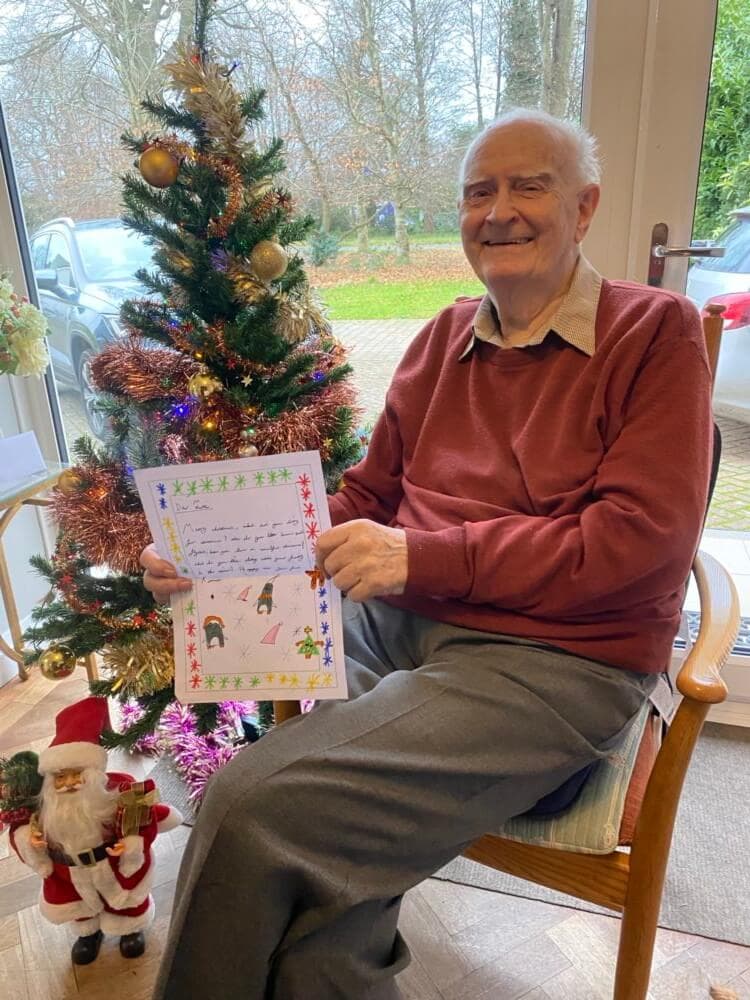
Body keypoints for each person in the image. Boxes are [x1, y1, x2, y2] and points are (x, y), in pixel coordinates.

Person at [142, 109, 713, 999]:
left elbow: (636, 544)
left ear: (586, 206)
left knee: (252, 805)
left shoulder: (655, 334)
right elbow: (366, 499)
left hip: (557, 662)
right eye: (478, 191)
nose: (500, 211)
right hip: (399, 627)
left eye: (530, 185)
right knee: (333, 856)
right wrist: (218, 554)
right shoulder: (445, 337)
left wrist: (422, 559)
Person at [9, 697, 182, 965]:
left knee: (125, 897)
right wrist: (28, 840)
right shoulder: (41, 807)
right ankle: (88, 933)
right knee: (79, 904)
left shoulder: (116, 792)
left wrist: (132, 841)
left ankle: (130, 928)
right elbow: (20, 827)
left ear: (93, 773)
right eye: (60, 777)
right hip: (69, 871)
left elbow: (144, 815)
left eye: (76, 775)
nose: (68, 784)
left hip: (112, 864)